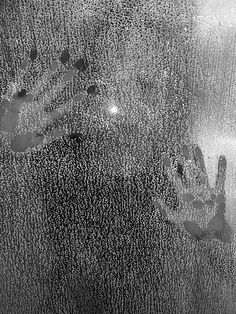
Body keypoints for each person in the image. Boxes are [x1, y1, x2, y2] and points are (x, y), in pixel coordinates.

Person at [0, 1, 236, 313]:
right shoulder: (55, 165)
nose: (126, 102)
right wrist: (9, 156)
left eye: (146, 83)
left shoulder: (185, 186)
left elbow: (222, 283)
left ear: (170, 100)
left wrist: (214, 244)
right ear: (87, 94)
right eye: (112, 82)